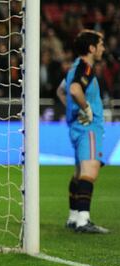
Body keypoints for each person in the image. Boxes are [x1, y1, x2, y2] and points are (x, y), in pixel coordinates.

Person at [58, 29, 108, 233]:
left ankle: (73, 217)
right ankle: (83, 220)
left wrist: (73, 109)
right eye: (101, 44)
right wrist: (86, 108)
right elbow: (73, 90)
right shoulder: (85, 68)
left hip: (76, 127)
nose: (103, 48)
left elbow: (61, 90)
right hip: (89, 128)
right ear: (91, 48)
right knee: (90, 172)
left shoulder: (73, 69)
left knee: (80, 172)